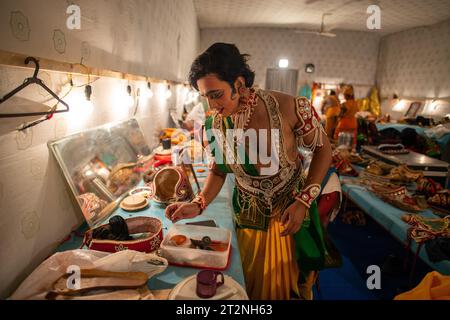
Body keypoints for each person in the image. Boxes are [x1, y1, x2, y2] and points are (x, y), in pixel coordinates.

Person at [165, 43, 333, 300]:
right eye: (206, 96)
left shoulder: (289, 107)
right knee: (247, 286)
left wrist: (303, 201)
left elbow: (323, 150)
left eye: (216, 94)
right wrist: (198, 204)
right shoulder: (215, 123)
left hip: (289, 214)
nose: (211, 105)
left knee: (284, 288)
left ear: (239, 83)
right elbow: (219, 170)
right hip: (248, 216)